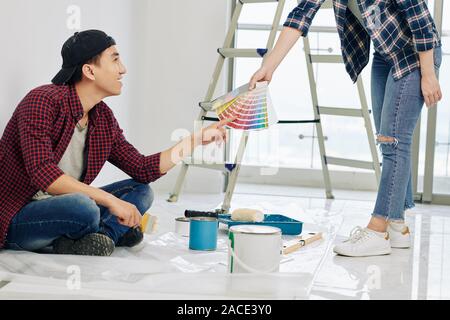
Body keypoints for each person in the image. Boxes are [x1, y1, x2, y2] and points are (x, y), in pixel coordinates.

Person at [0, 30, 232, 256]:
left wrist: (194, 140)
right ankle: (106, 232)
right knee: (84, 207)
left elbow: (142, 168)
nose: (123, 69)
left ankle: (102, 238)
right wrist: (110, 201)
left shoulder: (102, 118)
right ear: (90, 71)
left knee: (141, 191)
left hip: (64, 207)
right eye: (115, 59)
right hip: (18, 215)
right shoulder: (42, 101)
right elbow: (44, 174)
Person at [249, 0, 442, 257]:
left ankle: (377, 230)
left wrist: (428, 73)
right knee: (388, 142)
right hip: (385, 55)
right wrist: (268, 67)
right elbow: (300, 17)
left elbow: (418, 16)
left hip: (415, 56)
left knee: (394, 141)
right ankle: (397, 225)